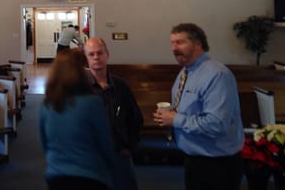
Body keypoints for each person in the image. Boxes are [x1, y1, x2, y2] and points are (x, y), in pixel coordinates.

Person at [153, 23, 244, 190]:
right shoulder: (186, 72)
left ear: (198, 44)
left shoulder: (217, 75)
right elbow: (187, 109)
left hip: (217, 165)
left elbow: (216, 124)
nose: (174, 48)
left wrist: (176, 119)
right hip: (194, 160)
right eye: (172, 43)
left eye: (180, 42)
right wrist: (169, 117)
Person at [39, 49, 117, 190]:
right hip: (90, 176)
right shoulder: (92, 103)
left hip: (56, 177)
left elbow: (45, 144)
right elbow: (106, 144)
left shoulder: (47, 105)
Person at [83, 37, 143, 190]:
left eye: (100, 53)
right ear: (86, 58)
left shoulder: (121, 86)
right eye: (91, 54)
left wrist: (129, 146)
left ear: (107, 54)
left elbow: (135, 118)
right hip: (92, 157)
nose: (96, 57)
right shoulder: (80, 88)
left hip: (119, 154)